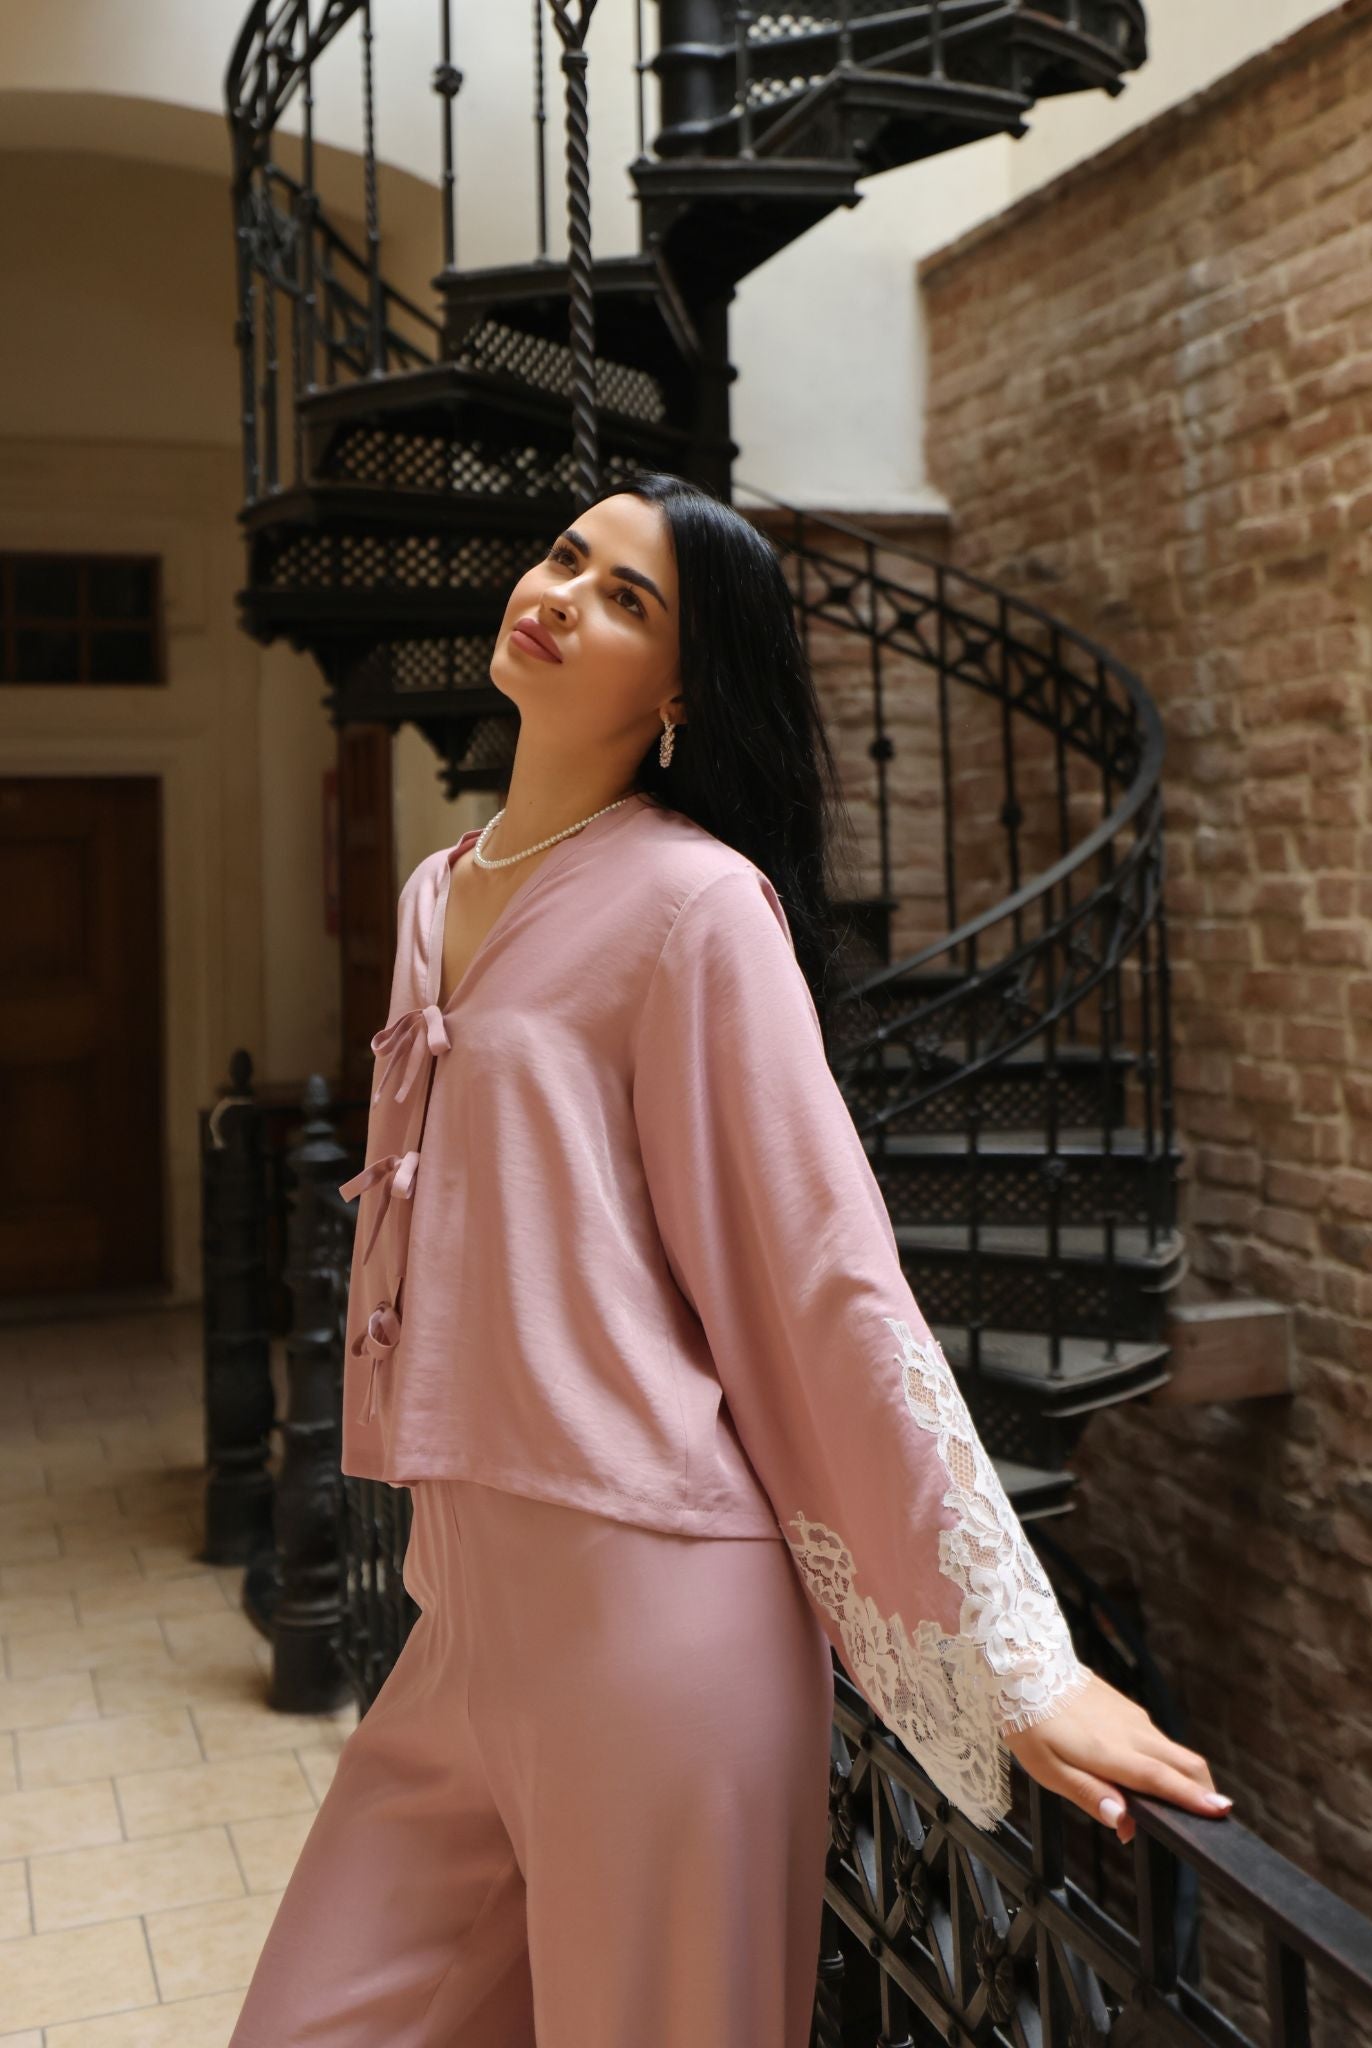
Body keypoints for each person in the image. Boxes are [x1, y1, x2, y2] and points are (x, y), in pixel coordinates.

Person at [229, 473, 1230, 2048]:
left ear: (688, 688)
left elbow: (819, 1280)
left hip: (652, 1623)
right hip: (463, 1614)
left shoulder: (698, 908)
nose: (560, 595)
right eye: (568, 557)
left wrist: (1020, 1662)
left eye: (630, 598)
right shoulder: (440, 892)